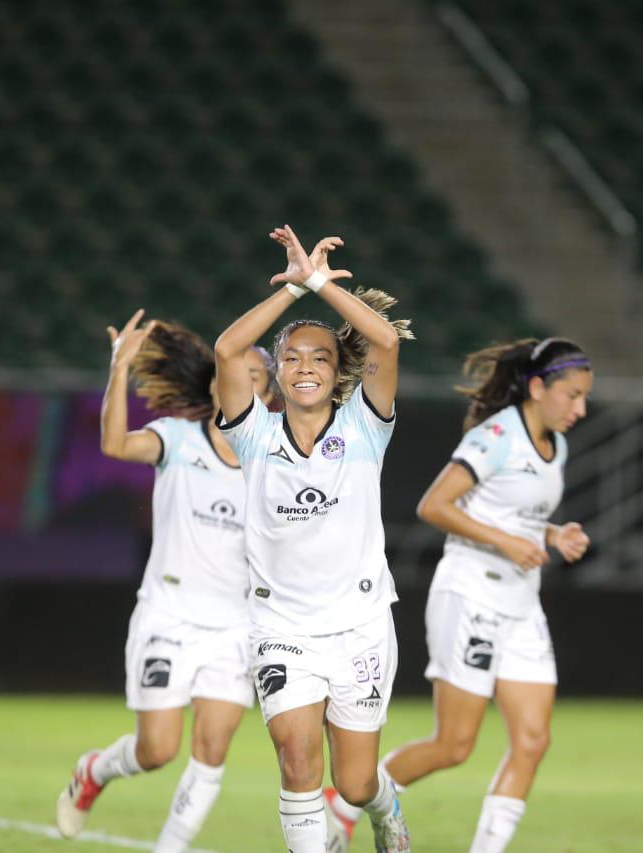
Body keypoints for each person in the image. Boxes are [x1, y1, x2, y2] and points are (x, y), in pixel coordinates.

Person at [325, 338, 593, 853]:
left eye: (584, 397)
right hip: (472, 595)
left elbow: (512, 517)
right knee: (453, 746)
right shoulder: (497, 436)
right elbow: (434, 505)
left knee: (533, 741)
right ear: (538, 387)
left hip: (521, 604)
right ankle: (343, 805)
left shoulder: (555, 445)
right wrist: (509, 542)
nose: (580, 409)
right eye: (573, 395)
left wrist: (552, 534)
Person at [213, 225, 414, 853]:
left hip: (359, 624)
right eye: (293, 358)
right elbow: (227, 349)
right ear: (276, 371)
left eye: (320, 357)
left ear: (337, 370)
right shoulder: (253, 433)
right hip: (281, 627)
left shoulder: (365, 428)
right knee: (298, 760)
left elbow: (384, 340)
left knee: (353, 784)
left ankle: (383, 806)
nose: (305, 367)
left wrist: (321, 282)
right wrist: (293, 290)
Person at [54, 310, 276, 851]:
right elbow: (115, 446)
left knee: (212, 750)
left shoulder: (277, 463)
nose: (239, 381)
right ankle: (94, 771)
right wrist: (118, 371)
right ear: (215, 383)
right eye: (232, 371)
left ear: (268, 397)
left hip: (235, 627)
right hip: (169, 615)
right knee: (156, 751)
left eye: (253, 376)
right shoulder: (177, 439)